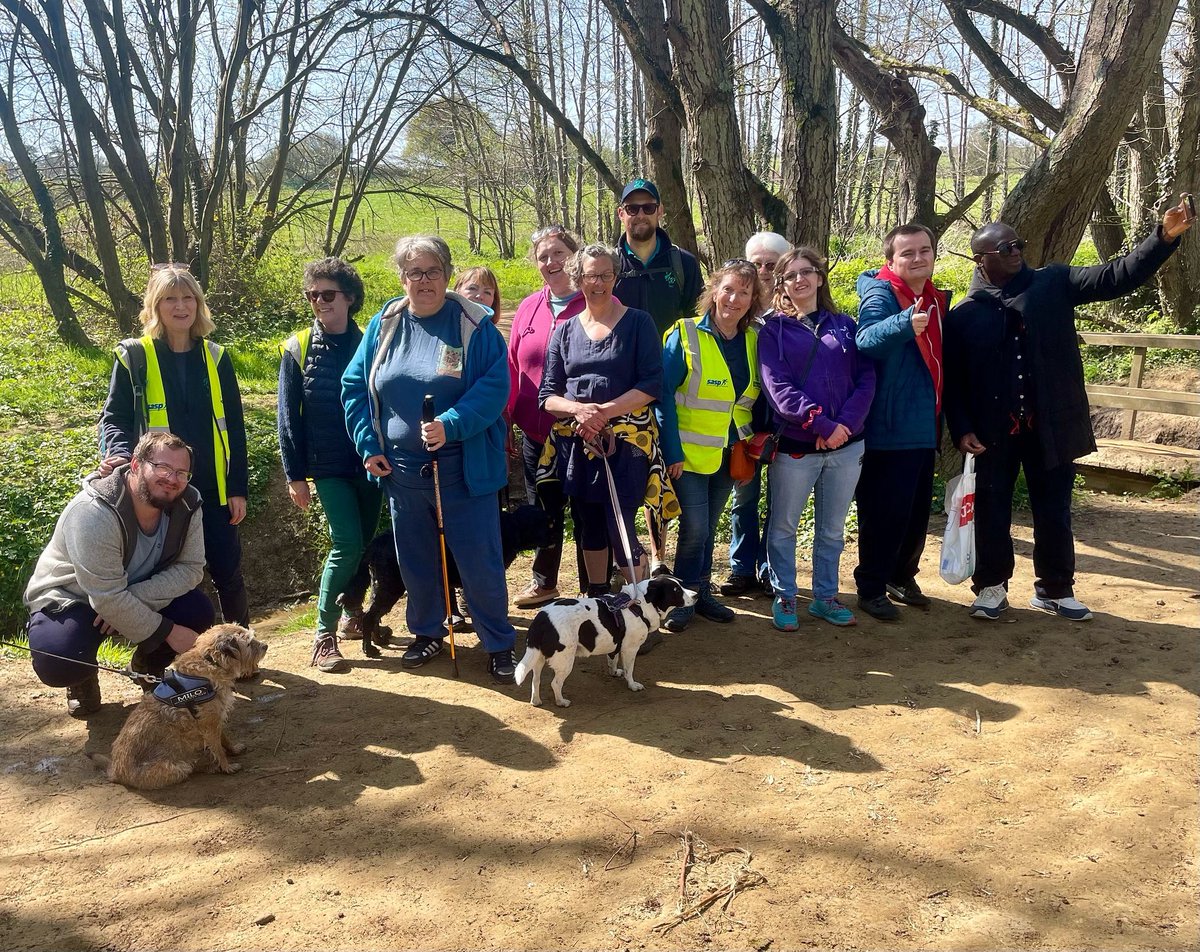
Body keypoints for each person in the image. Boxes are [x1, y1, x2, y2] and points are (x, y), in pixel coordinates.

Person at [944, 200, 1194, 621]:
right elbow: (955, 380)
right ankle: (990, 586)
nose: (1015, 251)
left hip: (1050, 427)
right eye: (1004, 248)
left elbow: (1116, 276)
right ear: (981, 259)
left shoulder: (1053, 283)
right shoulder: (964, 316)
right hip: (992, 434)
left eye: (1017, 244)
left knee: (1054, 509)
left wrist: (1162, 237)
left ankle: (1055, 589)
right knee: (992, 510)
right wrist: (963, 426)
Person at [342, 234, 518, 683]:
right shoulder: (386, 321)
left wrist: (451, 424)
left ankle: (498, 642)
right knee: (417, 559)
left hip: (463, 468)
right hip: (401, 471)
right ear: (402, 277)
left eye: (433, 271)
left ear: (446, 273)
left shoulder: (473, 325)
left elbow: (495, 388)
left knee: (479, 560)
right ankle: (426, 632)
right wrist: (369, 444)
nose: (424, 280)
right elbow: (356, 387)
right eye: (414, 272)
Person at [99, 264, 249, 627]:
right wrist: (117, 452)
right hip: (159, 491)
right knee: (167, 579)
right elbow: (113, 417)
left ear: (198, 305)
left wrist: (237, 487)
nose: (180, 306)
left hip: (212, 489)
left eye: (187, 298)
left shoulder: (216, 356)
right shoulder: (134, 356)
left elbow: (236, 428)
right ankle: (169, 654)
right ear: (155, 306)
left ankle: (243, 652)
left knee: (227, 573)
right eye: (169, 299)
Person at [24, 432, 214, 717]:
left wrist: (130, 601)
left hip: (129, 591)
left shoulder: (189, 503)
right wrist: (168, 632)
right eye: (162, 468)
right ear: (136, 465)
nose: (172, 479)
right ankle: (82, 678)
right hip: (73, 597)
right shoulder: (92, 513)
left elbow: (191, 568)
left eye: (181, 472)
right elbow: (106, 597)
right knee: (61, 660)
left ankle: (149, 666)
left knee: (198, 612)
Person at [537, 244, 677, 596]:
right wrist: (579, 411)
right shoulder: (565, 331)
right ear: (578, 278)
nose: (597, 282)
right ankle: (597, 598)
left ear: (616, 277)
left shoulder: (639, 323)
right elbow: (548, 395)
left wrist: (602, 413)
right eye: (590, 275)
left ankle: (641, 604)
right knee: (589, 523)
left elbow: (650, 385)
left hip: (627, 443)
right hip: (579, 442)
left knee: (621, 524)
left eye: (605, 275)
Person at [760, 247, 876, 631]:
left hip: (848, 444)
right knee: (784, 526)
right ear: (782, 285)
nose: (800, 280)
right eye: (790, 275)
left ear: (820, 278)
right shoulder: (771, 331)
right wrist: (822, 424)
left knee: (831, 528)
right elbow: (778, 387)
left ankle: (825, 597)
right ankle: (786, 595)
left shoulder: (845, 325)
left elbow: (866, 378)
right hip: (796, 445)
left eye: (806, 272)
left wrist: (844, 424)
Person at [278, 257, 382, 673]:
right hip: (327, 466)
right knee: (347, 543)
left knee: (366, 541)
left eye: (327, 294)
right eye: (312, 295)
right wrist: (294, 474)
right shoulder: (298, 346)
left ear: (350, 298)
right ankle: (324, 634)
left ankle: (353, 611)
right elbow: (288, 415)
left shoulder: (372, 342)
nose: (319, 302)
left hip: (371, 462)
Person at [655, 260, 762, 631]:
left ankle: (700, 594)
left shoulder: (753, 340)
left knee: (710, 524)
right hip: (686, 453)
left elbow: (748, 401)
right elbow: (663, 395)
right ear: (713, 291)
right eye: (728, 289)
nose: (734, 299)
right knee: (696, 527)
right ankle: (682, 598)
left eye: (744, 292)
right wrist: (671, 451)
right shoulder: (685, 334)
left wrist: (751, 449)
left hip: (730, 452)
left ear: (752, 300)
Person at [852, 223, 950, 621]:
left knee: (915, 513)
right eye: (907, 253)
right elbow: (866, 338)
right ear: (890, 260)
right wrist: (904, 322)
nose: (917, 258)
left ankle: (900, 575)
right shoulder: (882, 293)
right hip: (890, 426)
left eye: (924, 250)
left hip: (925, 422)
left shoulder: (932, 295)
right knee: (883, 512)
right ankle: (871, 587)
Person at [612, 178, 702, 576]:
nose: (641, 214)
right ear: (621, 214)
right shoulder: (608, 264)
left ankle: (662, 560)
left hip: (671, 382)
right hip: (618, 385)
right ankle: (626, 558)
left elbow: (698, 320)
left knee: (664, 468)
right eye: (632, 208)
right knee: (621, 472)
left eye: (648, 207)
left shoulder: (682, 263)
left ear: (660, 211)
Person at [507, 225, 587, 608]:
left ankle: (595, 587)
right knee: (543, 508)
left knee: (588, 509)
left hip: (583, 431)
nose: (551, 262)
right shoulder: (528, 307)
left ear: (575, 256)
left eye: (559, 253)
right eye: (543, 256)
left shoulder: (596, 302)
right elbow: (512, 366)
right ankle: (544, 581)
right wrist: (507, 418)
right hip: (535, 432)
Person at [721, 231, 792, 598]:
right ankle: (741, 568)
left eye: (771, 264)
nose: (763, 271)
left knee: (780, 502)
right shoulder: (737, 308)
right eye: (757, 263)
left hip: (786, 425)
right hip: (745, 426)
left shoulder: (793, 309)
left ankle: (771, 570)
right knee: (743, 497)